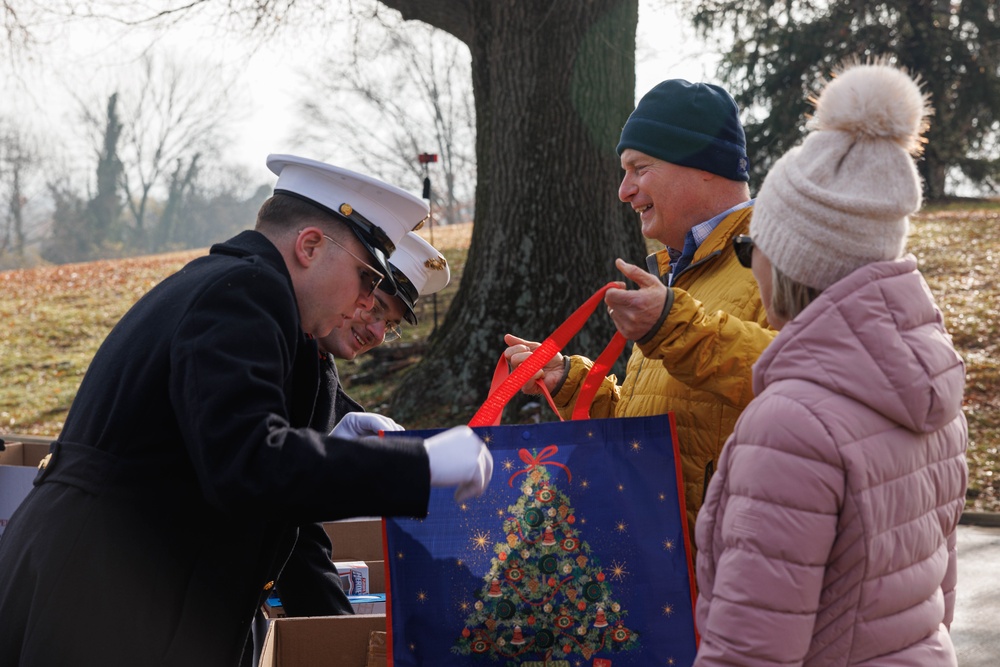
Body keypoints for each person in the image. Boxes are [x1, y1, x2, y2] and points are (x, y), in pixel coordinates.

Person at [0, 154, 492, 667]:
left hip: (120, 588)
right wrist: (418, 465)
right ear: (309, 246)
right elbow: (247, 463)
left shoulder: (248, 294)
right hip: (101, 599)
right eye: (367, 279)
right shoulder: (248, 294)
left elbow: (249, 483)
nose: (366, 304)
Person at [693, 62, 968, 666]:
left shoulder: (791, 425)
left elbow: (750, 652)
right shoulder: (933, 392)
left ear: (790, 263)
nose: (750, 265)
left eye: (751, 247)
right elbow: (936, 600)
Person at [505, 79, 777, 540]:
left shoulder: (777, 259)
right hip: (673, 563)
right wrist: (570, 381)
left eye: (639, 168)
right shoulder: (679, 271)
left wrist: (675, 327)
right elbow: (652, 431)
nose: (624, 190)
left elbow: (805, 380)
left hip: (739, 563)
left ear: (701, 164)